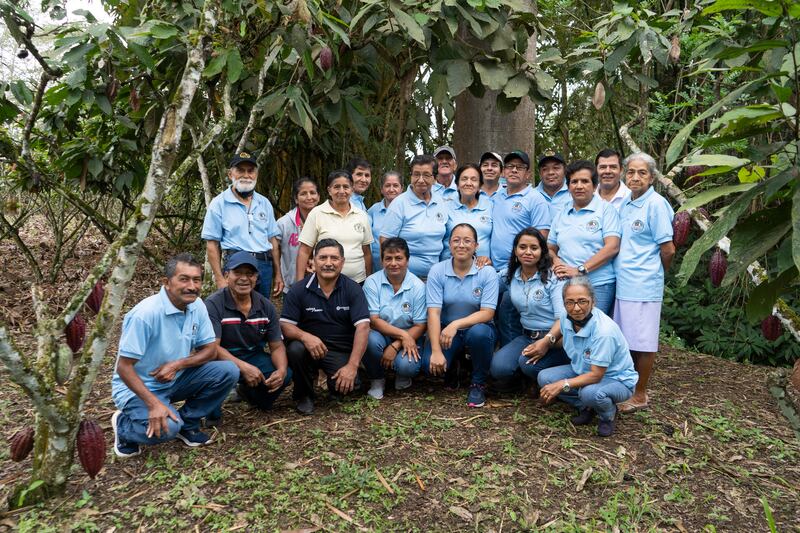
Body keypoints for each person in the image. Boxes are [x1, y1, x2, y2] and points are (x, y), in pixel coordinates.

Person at [110, 254, 239, 457]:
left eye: (196, 280)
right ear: (166, 283)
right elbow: (123, 367)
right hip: (138, 388)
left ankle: (187, 424)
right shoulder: (145, 314)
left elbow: (210, 350)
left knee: (228, 371)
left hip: (174, 379)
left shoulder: (197, 306)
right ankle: (124, 427)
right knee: (168, 428)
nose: (192, 286)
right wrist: (153, 404)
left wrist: (177, 365)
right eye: (184, 279)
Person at [395, 224, 498, 407]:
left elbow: (487, 313)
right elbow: (433, 312)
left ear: (476, 246)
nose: (461, 245)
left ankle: (478, 382)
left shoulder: (487, 272)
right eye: (456, 240)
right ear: (449, 244)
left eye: (467, 241)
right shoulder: (438, 270)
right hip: (446, 332)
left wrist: (456, 324)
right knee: (429, 366)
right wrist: (435, 351)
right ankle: (454, 366)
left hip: (477, 329)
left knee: (479, 334)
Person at [613, 152, 675, 413]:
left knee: (644, 343)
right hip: (624, 284)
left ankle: (640, 394)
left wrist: (655, 273)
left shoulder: (656, 204)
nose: (635, 177)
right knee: (627, 341)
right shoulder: (626, 202)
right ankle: (627, 388)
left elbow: (668, 249)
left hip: (644, 285)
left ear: (651, 177)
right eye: (631, 172)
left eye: (642, 173)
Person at [537, 277, 638, 437]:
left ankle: (608, 414)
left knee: (590, 393)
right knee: (545, 378)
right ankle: (588, 407)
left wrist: (562, 384)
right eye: (570, 302)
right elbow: (563, 337)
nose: (576, 308)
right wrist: (545, 342)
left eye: (582, 301)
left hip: (615, 379)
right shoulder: (566, 318)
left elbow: (596, 375)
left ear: (593, 301)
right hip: (582, 370)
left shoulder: (604, 331)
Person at [281, 239, 370, 414]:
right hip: (308, 349)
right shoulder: (298, 290)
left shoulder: (353, 289)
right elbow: (285, 325)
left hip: (338, 350)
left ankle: (343, 378)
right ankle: (304, 395)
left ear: (342, 263)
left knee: (348, 388)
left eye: (334, 258)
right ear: (313, 262)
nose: (328, 263)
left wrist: (352, 366)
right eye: (323, 258)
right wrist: (305, 337)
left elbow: (363, 327)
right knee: (295, 348)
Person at [204, 252, 291, 421]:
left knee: (285, 373)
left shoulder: (265, 306)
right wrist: (243, 367)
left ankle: (251, 396)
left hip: (252, 356)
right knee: (212, 416)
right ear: (227, 275)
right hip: (220, 359)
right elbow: (212, 348)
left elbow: (277, 345)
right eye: (238, 273)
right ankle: (210, 412)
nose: (244, 278)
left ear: (256, 278)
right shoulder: (214, 304)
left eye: (249, 274)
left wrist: (280, 370)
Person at [489, 228, 568, 389]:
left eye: (534, 248)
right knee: (498, 368)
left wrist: (546, 341)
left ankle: (547, 378)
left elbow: (563, 318)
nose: (528, 252)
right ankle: (525, 380)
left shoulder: (553, 278)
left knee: (528, 364)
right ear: (515, 250)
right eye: (522, 247)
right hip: (527, 336)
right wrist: (479, 262)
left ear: (542, 251)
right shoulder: (510, 275)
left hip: (555, 338)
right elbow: (484, 285)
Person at [490, 150, 552, 346]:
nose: (514, 170)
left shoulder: (535, 198)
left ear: (527, 173)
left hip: (519, 270)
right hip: (495, 270)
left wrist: (525, 262)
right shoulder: (496, 197)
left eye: (520, 167)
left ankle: (513, 362)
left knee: (509, 313)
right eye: (509, 166)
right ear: (503, 172)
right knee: (496, 314)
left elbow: (541, 237)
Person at [202, 151, 283, 298]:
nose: (246, 175)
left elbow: (273, 241)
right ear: (230, 174)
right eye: (240, 170)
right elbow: (212, 244)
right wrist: (220, 278)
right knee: (235, 311)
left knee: (261, 311)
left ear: (256, 174)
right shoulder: (219, 203)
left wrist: (278, 274)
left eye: (250, 171)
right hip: (236, 265)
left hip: (263, 266)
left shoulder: (264, 203)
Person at [548, 160, 621, 315]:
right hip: (566, 284)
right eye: (574, 182)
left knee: (592, 328)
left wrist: (580, 270)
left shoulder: (606, 210)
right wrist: (555, 261)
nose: (579, 186)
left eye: (585, 181)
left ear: (594, 186)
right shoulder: (562, 214)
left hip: (599, 283)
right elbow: (549, 248)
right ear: (568, 187)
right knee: (566, 327)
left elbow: (612, 246)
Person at [362, 238, 427, 399]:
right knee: (368, 339)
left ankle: (402, 374)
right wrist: (402, 336)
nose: (393, 263)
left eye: (399, 258)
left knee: (407, 366)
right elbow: (374, 320)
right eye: (388, 258)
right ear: (382, 260)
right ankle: (377, 379)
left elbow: (420, 325)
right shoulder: (372, 282)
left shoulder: (418, 286)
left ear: (407, 260)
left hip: (410, 334)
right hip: (380, 334)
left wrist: (397, 344)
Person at [296, 170, 373, 283]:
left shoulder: (361, 215)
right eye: (337, 187)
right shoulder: (317, 213)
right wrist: (300, 283)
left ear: (352, 190)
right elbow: (304, 251)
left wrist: (369, 280)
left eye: (346, 187)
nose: (341, 191)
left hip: (358, 282)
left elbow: (366, 252)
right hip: (325, 283)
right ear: (329, 190)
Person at [380, 154, 450, 279]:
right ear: (411, 176)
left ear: (434, 178)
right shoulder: (399, 204)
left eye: (426, 175)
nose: (421, 180)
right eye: (416, 174)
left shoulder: (441, 202)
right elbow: (385, 241)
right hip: (407, 277)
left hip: (437, 277)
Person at [441, 164, 493, 266]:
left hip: (481, 269)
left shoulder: (490, 206)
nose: (468, 183)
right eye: (464, 179)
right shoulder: (445, 206)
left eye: (474, 179)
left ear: (480, 186)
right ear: (457, 185)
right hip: (450, 267)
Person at [276, 177, 320, 293]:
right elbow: (275, 250)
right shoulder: (283, 223)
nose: (309, 197)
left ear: (319, 197)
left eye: (313, 193)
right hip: (292, 285)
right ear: (296, 199)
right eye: (303, 194)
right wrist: (278, 275)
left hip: (322, 284)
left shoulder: (327, 220)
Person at [367, 171, 403, 270]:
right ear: (382, 189)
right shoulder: (373, 210)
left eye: (395, 185)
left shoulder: (408, 210)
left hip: (400, 267)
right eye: (387, 185)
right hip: (377, 268)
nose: (391, 189)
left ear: (402, 189)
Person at [535, 150, 572, 215]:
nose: (550, 172)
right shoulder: (532, 195)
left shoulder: (574, 192)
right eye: (545, 169)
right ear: (540, 173)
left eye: (556, 168)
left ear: (565, 171)